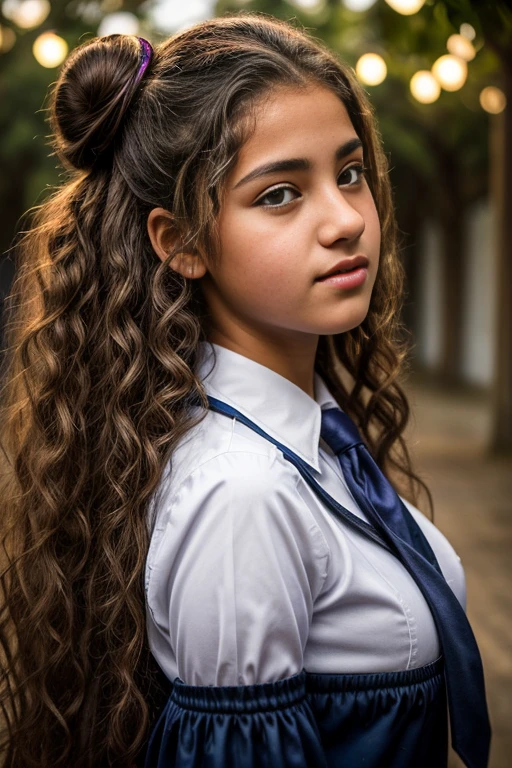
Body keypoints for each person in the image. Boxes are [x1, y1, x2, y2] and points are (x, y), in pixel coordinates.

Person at [0, 11, 490, 768]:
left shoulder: (310, 432)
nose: (346, 220)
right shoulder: (243, 493)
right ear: (183, 242)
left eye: (349, 173)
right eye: (279, 195)